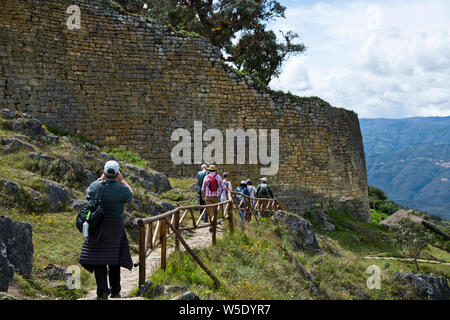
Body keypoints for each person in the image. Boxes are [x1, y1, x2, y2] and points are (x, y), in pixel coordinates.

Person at [79, 160, 133, 300]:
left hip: (98, 227)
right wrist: (122, 180)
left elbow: (88, 195)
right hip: (115, 228)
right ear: (117, 173)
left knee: (99, 259)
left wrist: (100, 179)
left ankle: (102, 291)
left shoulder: (96, 185)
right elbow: (130, 195)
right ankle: (115, 291)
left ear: (104, 172)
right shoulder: (122, 190)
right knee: (114, 259)